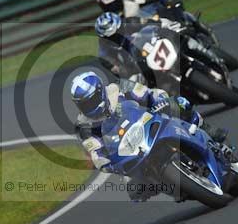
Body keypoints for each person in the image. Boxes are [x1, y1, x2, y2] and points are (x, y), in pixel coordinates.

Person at [71, 72, 227, 182]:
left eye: (90, 100)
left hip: (149, 121)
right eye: (83, 104)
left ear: (100, 92)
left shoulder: (118, 87)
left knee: (178, 103)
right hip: (127, 149)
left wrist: (160, 100)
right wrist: (106, 163)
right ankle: (173, 186)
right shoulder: (83, 126)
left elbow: (148, 93)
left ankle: (208, 130)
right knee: (135, 190)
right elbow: (95, 153)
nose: (88, 106)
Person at [94, 11, 225, 83]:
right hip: (139, 65)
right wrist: (126, 73)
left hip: (156, 45)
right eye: (112, 36)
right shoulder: (104, 51)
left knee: (184, 39)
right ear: (104, 37)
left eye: (118, 30)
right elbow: (116, 70)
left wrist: (171, 26)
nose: (117, 35)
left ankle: (206, 52)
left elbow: (156, 22)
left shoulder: (131, 22)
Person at [96, 0, 219, 45]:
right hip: (145, 40)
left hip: (158, 20)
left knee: (173, 8)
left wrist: (170, 1)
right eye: (109, 6)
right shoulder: (110, 22)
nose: (114, 7)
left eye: (115, 2)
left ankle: (198, 27)